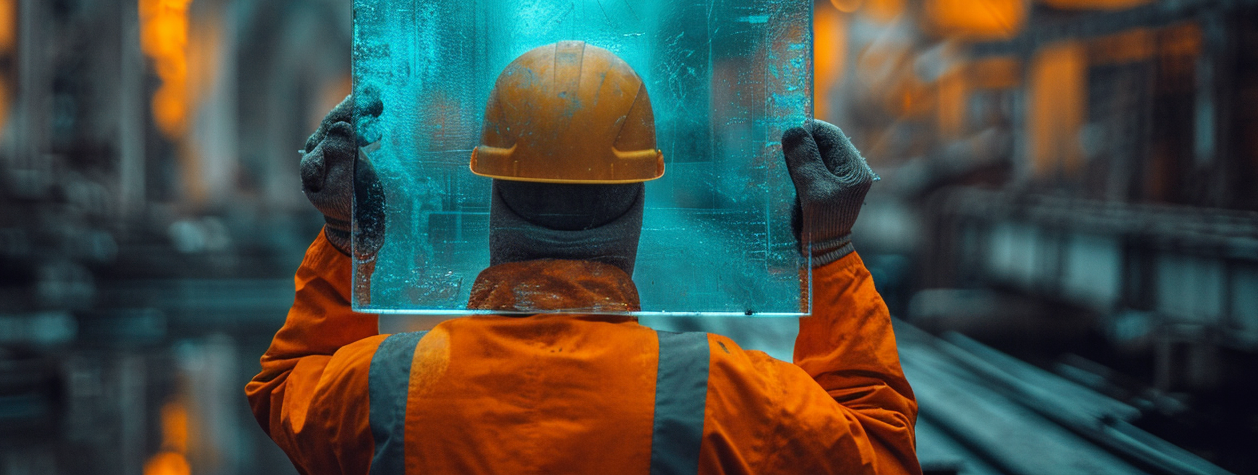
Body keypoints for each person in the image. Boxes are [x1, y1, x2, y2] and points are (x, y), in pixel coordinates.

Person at [247, 41, 920, 474]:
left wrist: (344, 237)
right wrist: (828, 251)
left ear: (494, 193)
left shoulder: (391, 385)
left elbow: (284, 389)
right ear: (637, 202)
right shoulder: (727, 396)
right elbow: (880, 454)